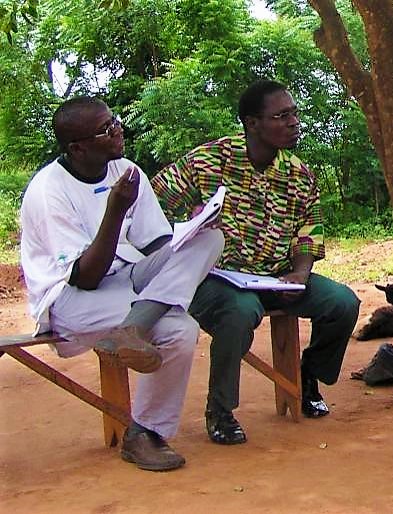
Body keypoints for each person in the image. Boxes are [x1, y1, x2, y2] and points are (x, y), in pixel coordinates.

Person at [20, 97, 224, 471]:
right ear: (77, 147)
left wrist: (192, 230)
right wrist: (114, 210)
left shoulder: (126, 170)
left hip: (128, 278)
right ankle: (144, 433)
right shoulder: (49, 191)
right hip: (71, 297)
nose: (118, 130)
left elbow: (156, 243)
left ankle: (133, 327)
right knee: (181, 329)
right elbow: (86, 276)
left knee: (210, 240)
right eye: (105, 129)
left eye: (114, 120)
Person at [152, 80, 361, 445]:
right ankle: (221, 409)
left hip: (276, 275)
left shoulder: (298, 174)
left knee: (342, 303)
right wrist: (190, 222)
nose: (294, 122)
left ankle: (307, 377)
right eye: (282, 116)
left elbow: (309, 231)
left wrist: (300, 273)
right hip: (214, 279)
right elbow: (151, 204)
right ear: (252, 123)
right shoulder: (209, 161)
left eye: (294, 113)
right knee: (239, 312)